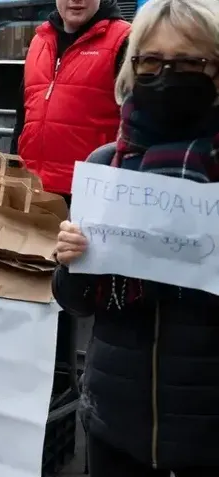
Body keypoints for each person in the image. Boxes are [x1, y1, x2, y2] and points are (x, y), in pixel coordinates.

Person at [52, 0, 219, 475]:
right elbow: (76, 301)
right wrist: (71, 260)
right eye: (151, 61)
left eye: (189, 62)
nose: (167, 75)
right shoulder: (108, 165)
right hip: (115, 422)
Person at [10, 0, 130, 199]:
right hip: (32, 191)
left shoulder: (125, 41)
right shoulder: (40, 41)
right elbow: (23, 118)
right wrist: (14, 170)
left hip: (91, 195)